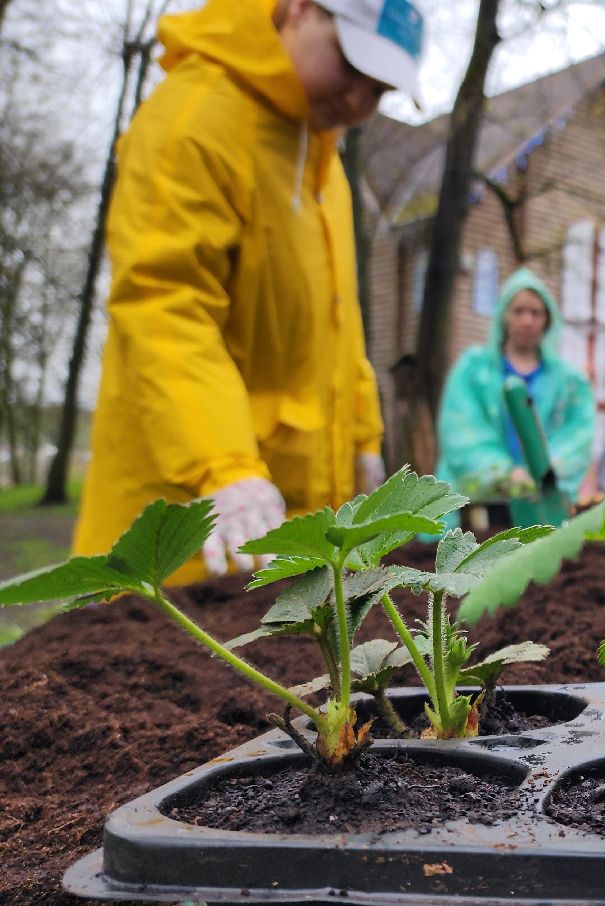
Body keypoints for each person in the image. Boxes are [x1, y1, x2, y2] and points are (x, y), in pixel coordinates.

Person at [72, 0, 426, 583]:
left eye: (381, 89)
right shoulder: (193, 120)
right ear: (298, 10)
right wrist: (224, 466)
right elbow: (165, 306)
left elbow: (337, 323)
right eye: (350, 63)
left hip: (283, 528)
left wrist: (364, 434)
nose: (360, 100)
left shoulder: (322, 159)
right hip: (186, 527)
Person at [435, 268, 595, 528]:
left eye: (536, 313)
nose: (527, 320)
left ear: (548, 320)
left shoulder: (569, 383)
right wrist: (506, 474)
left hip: (544, 507)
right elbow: (460, 431)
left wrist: (545, 470)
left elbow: (578, 434)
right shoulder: (473, 371)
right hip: (480, 507)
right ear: (504, 317)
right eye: (519, 311)